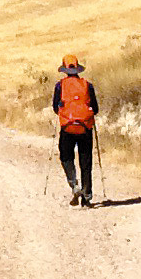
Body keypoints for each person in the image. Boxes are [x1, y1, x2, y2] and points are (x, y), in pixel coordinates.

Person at [52, 52, 98, 205]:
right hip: (85, 127)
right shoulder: (87, 85)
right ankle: (87, 196)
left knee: (66, 157)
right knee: (86, 161)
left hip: (67, 127)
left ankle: (74, 184)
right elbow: (95, 108)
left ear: (64, 70)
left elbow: (55, 107)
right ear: (77, 69)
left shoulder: (60, 85)